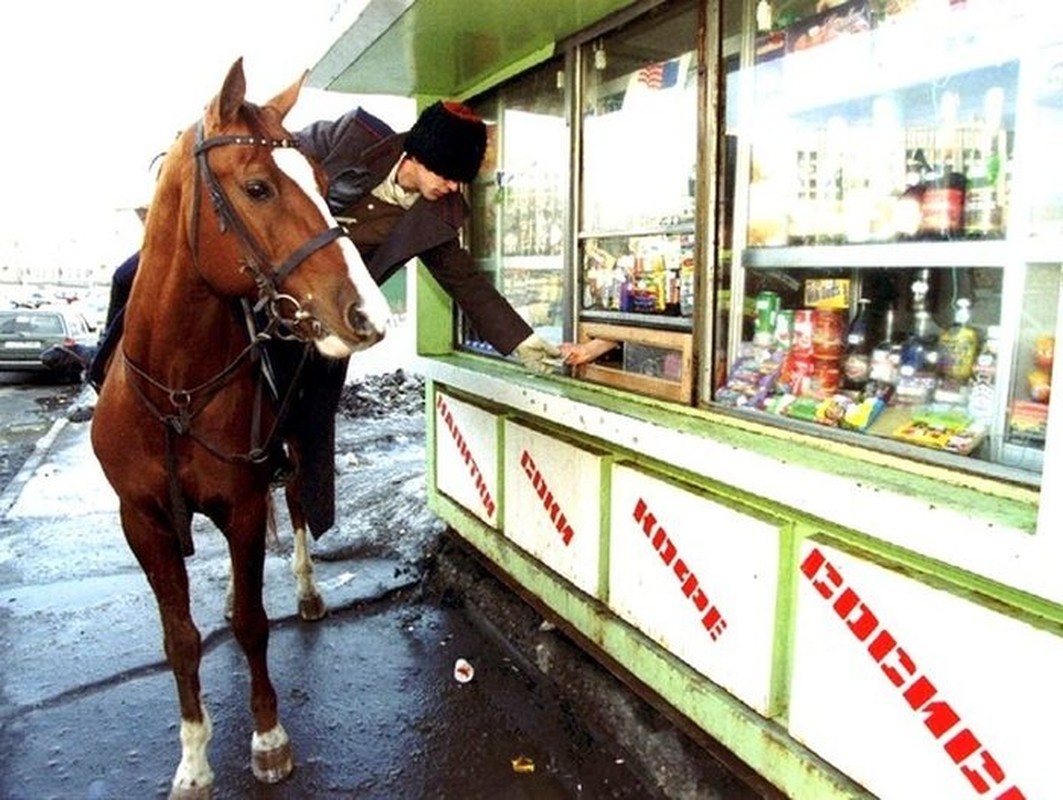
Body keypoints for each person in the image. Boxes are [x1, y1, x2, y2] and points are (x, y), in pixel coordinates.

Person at [89, 100, 566, 536]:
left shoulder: (437, 217)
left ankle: (288, 472)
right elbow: (269, 159)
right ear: (417, 157)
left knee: (315, 398)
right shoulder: (352, 136)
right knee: (131, 273)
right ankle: (102, 371)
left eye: (461, 179)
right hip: (263, 263)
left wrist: (522, 342)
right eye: (446, 172)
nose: (453, 186)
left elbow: (468, 284)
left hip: (327, 307)